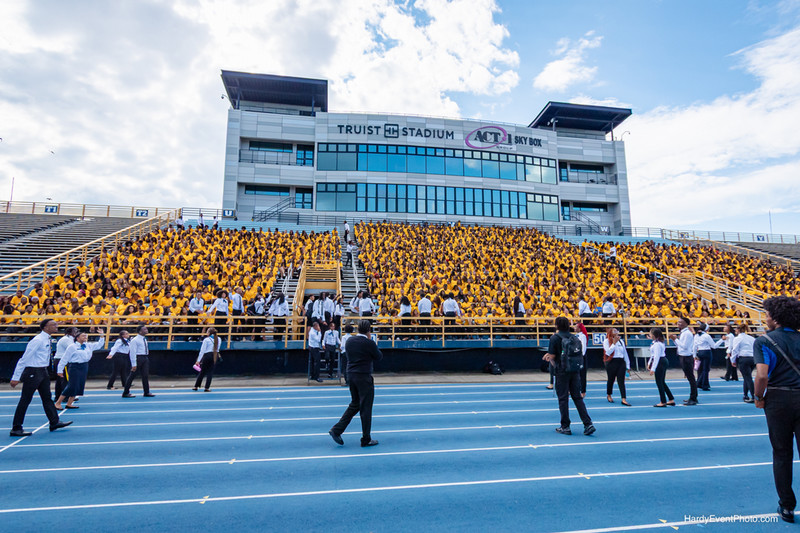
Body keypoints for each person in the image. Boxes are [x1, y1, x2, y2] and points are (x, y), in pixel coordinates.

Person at [753, 296, 800, 523]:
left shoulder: (764, 341)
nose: (767, 317)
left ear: (776, 317)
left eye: (769, 314)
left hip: (778, 399)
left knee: (782, 453)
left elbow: (762, 375)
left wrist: (758, 397)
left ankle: (787, 506)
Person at [9, 319, 72, 436]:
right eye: (53, 325)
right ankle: (16, 427)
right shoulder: (37, 340)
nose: (57, 326)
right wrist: (16, 377)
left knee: (47, 398)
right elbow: (24, 358)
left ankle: (54, 421)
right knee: (25, 399)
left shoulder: (47, 339)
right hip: (33, 371)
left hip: (43, 371)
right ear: (45, 327)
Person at [329, 320, 383, 447]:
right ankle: (366, 438)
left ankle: (337, 430)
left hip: (351, 375)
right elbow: (379, 357)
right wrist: (373, 343)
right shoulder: (369, 343)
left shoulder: (350, 341)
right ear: (369, 330)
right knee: (366, 408)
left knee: (355, 404)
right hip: (364, 376)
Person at [542, 317, 595, 436]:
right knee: (577, 397)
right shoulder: (573, 337)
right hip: (574, 370)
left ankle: (565, 426)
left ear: (557, 326)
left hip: (562, 371)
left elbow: (553, 356)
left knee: (563, 399)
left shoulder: (555, 338)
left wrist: (549, 358)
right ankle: (588, 423)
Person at [56, 329, 106, 409]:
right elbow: (64, 358)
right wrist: (60, 370)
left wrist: (102, 335)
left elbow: (100, 344)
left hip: (84, 366)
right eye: (83, 336)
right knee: (71, 385)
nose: (85, 337)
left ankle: (69, 403)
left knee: (78, 385)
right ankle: (58, 403)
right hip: (75, 367)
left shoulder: (88, 345)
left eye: (85, 335)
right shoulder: (72, 346)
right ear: (77, 338)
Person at [670, 317, 698, 405]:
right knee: (690, 378)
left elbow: (684, 346)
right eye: (678, 322)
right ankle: (693, 397)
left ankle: (693, 398)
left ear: (686, 323)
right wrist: (674, 340)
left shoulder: (687, 334)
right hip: (683, 356)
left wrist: (675, 339)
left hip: (686, 357)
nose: (679, 323)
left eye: (681, 322)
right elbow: (680, 346)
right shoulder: (683, 333)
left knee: (691, 378)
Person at [122, 324, 155, 398]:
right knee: (132, 375)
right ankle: (125, 392)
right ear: (140, 331)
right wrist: (134, 363)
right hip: (138, 357)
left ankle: (146, 391)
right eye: (144, 329)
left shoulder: (144, 339)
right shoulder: (135, 340)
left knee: (145, 375)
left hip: (145, 357)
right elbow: (132, 352)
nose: (146, 330)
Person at [603, 328, 631, 405]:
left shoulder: (621, 341)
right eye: (614, 331)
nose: (616, 332)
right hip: (611, 362)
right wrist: (614, 343)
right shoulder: (606, 341)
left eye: (617, 331)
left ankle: (623, 398)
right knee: (611, 379)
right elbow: (608, 352)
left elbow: (625, 353)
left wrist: (628, 365)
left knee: (621, 380)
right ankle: (609, 394)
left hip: (621, 362)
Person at [647, 327, 675, 407]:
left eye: (650, 333)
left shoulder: (657, 344)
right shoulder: (656, 343)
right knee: (662, 381)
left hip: (661, 361)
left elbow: (656, 357)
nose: (649, 335)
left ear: (653, 335)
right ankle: (671, 398)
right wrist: (649, 363)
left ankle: (663, 401)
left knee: (659, 382)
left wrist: (653, 368)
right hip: (661, 361)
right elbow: (652, 355)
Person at [731, 323, 755, 403]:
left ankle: (753, 396)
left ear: (738, 330)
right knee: (747, 377)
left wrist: (733, 360)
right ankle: (745, 394)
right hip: (752, 358)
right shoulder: (751, 338)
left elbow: (735, 350)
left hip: (743, 358)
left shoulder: (737, 338)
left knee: (748, 377)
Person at [53, 326, 77, 400]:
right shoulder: (67, 339)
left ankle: (58, 396)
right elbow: (73, 349)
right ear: (70, 332)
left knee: (60, 380)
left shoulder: (69, 339)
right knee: (65, 379)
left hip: (60, 360)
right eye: (75, 331)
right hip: (62, 360)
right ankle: (66, 396)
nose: (77, 332)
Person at [194, 327, 220, 392]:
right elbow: (217, 349)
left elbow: (202, 350)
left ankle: (196, 386)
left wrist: (198, 360)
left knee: (202, 371)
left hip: (207, 355)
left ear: (209, 333)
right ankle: (207, 387)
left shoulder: (207, 339)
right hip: (214, 355)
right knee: (210, 372)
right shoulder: (219, 339)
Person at [694, 322, 715, 391]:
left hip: (699, 351)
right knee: (706, 369)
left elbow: (694, 346)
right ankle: (704, 384)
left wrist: (694, 355)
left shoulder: (696, 335)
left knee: (700, 369)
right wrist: (721, 340)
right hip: (706, 352)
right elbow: (713, 346)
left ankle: (699, 383)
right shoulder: (706, 336)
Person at [575, 322, 589, 398]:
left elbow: (583, 347)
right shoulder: (575, 336)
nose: (574, 328)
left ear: (579, 328)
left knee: (582, 375)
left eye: (575, 326)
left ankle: (583, 391)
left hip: (581, 357)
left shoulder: (582, 336)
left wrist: (581, 356)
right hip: (575, 356)